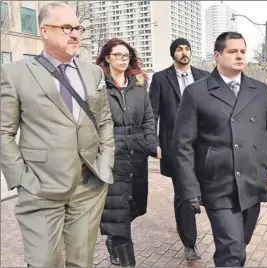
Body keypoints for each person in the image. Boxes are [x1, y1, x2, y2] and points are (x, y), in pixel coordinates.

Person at [172, 31, 267, 267]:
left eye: (242, 51)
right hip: (217, 184)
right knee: (233, 251)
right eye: (233, 51)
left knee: (239, 244)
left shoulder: (259, 90)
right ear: (217, 56)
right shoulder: (197, 92)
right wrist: (189, 189)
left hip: (252, 181)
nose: (239, 56)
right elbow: (183, 145)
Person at [0, 3, 115, 267]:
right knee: (44, 262)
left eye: (77, 28)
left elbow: (104, 119)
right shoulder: (15, 74)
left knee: (81, 263)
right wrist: (20, 178)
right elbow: (4, 132)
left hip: (88, 186)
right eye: (66, 27)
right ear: (44, 31)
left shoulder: (94, 72)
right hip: (41, 188)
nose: (75, 34)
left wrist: (106, 159)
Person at [96, 38, 157, 267]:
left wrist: (151, 145)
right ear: (107, 58)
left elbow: (149, 117)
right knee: (118, 209)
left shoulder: (139, 84)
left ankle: (113, 237)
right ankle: (126, 259)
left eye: (126, 55)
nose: (123, 59)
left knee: (133, 204)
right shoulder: (100, 84)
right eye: (118, 55)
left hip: (137, 151)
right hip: (112, 151)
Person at [149, 38, 210, 261]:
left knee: (205, 189)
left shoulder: (204, 76)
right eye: (179, 49)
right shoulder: (160, 79)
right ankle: (190, 243)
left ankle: (186, 225)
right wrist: (153, 142)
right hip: (174, 146)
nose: (184, 52)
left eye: (187, 49)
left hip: (203, 145)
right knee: (184, 192)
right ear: (172, 53)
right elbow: (153, 113)